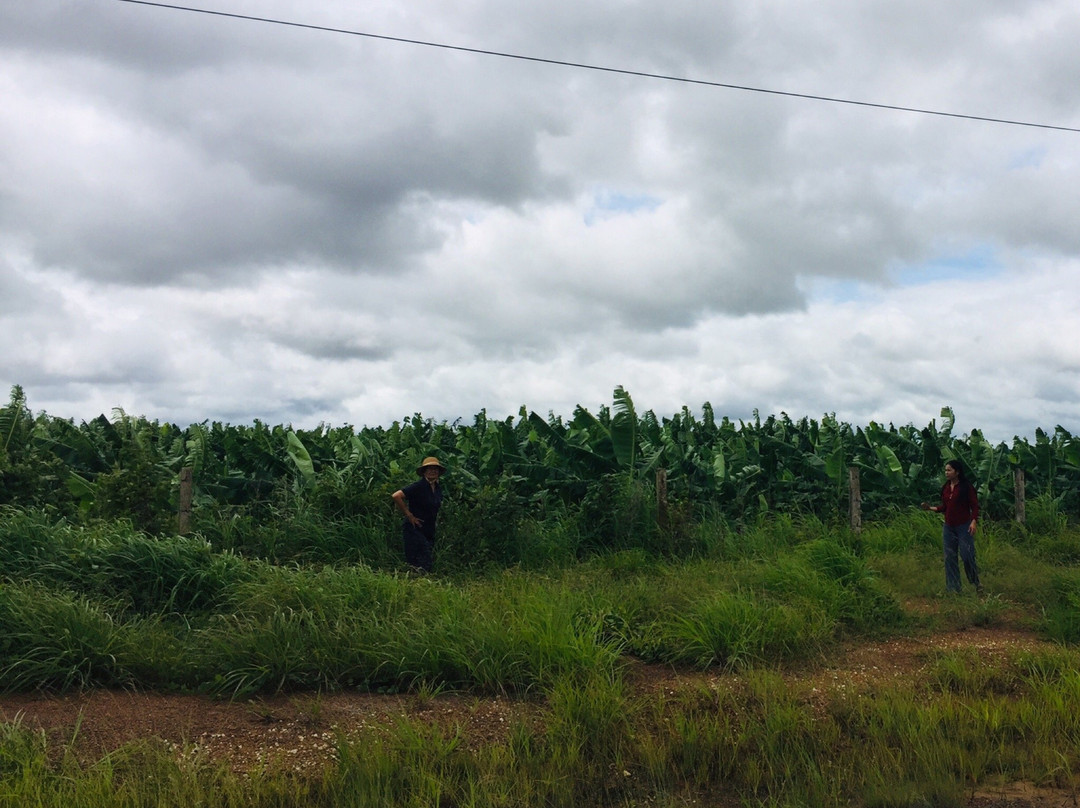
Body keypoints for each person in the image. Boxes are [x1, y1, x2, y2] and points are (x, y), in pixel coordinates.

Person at [921, 459, 982, 595]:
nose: (946, 473)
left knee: (967, 556)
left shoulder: (966, 487)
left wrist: (973, 521)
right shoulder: (946, 488)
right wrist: (930, 508)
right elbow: (945, 507)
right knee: (950, 557)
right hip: (949, 527)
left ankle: (975, 582)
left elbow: (974, 506)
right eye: (945, 470)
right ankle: (954, 589)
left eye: (949, 470)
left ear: (957, 472)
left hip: (964, 526)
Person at [391, 456, 446, 572]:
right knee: (421, 558)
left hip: (429, 527)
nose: (432, 471)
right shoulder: (418, 486)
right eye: (429, 469)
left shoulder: (437, 488)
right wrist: (409, 515)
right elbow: (396, 496)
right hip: (415, 527)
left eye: (435, 469)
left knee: (426, 556)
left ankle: (418, 581)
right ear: (424, 472)